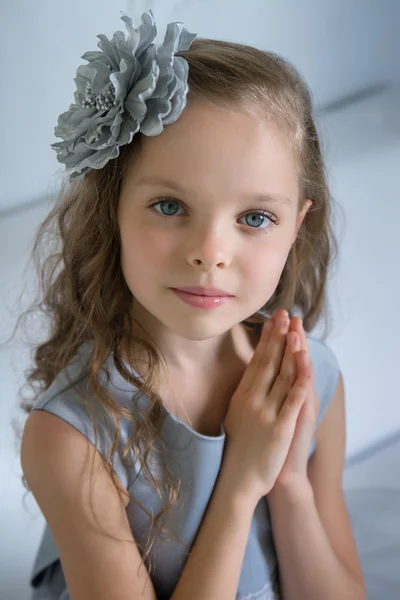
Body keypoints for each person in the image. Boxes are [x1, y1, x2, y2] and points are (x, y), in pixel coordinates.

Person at [17, 9, 366, 600]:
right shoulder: (73, 436)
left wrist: (286, 482)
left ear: (295, 227)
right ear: (114, 209)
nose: (210, 253)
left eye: (255, 218)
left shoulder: (311, 374)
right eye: (170, 206)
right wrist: (239, 484)